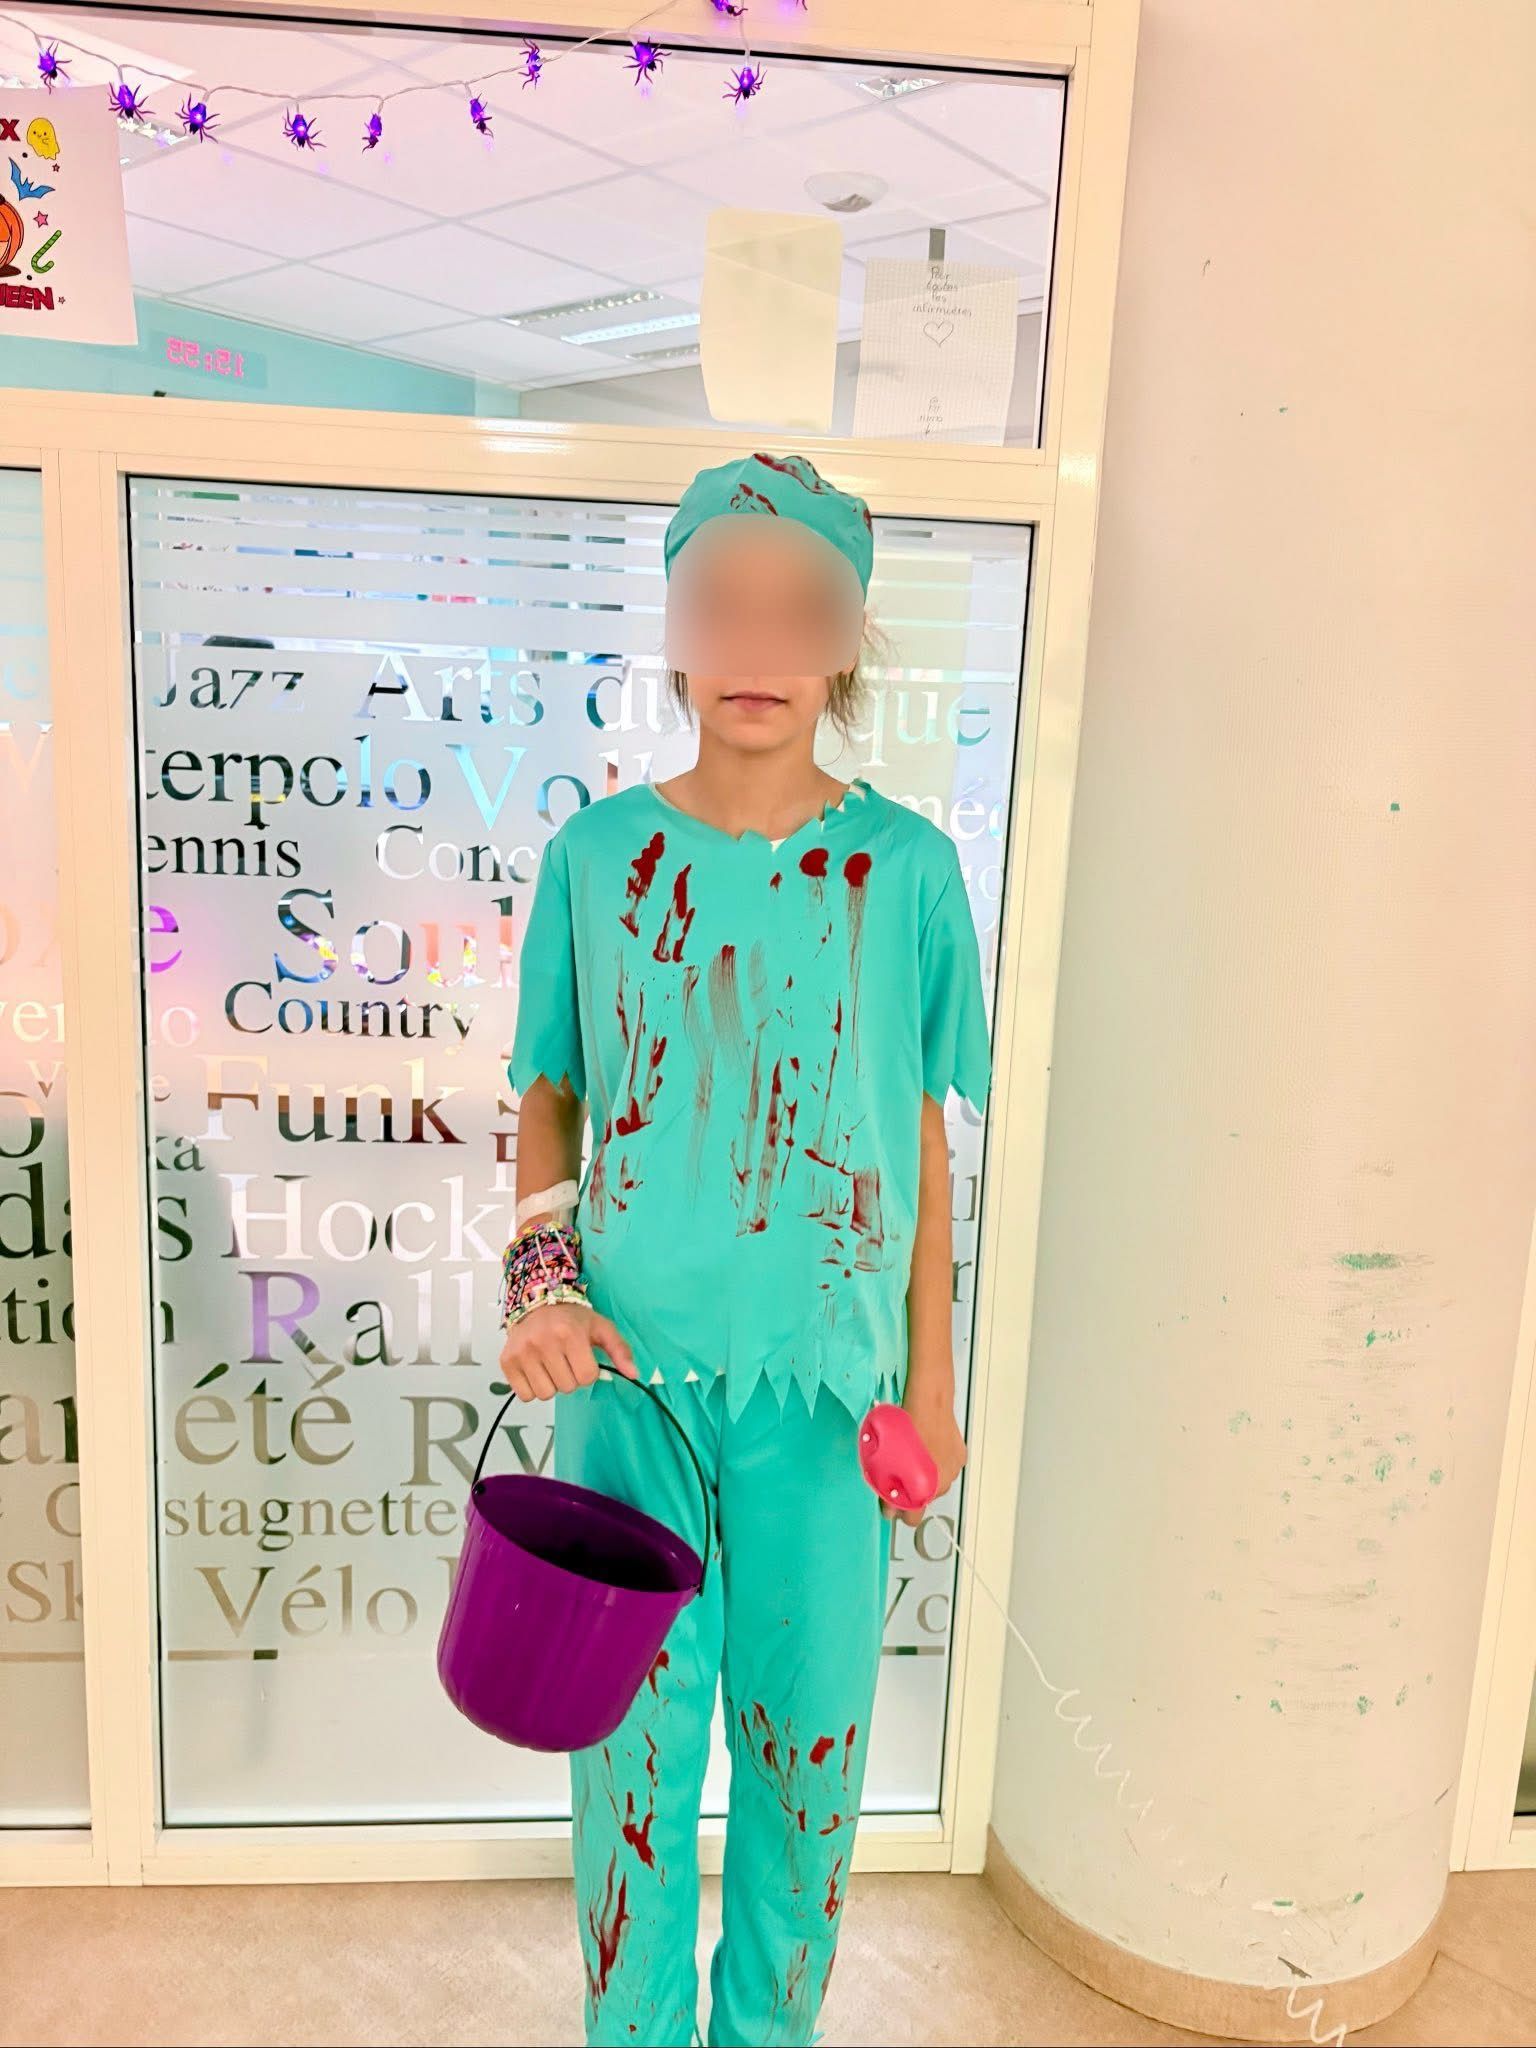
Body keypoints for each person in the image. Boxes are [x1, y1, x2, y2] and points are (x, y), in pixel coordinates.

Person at [500, 451, 992, 2047]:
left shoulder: (907, 871)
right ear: (672, 630)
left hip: (829, 1404)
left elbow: (920, 1136)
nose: (759, 646)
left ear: (850, 640)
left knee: (806, 1771)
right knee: (629, 1774)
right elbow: (550, 1093)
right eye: (722, 604)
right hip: (629, 1394)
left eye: (801, 610)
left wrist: (936, 1389)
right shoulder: (593, 861)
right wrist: (539, 1281)